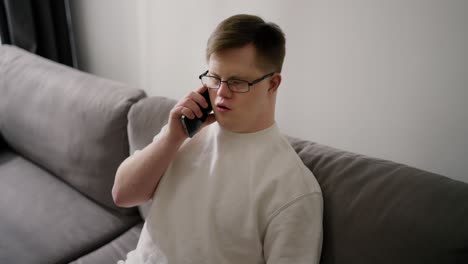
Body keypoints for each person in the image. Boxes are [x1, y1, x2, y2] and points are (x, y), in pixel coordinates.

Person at [113, 14, 323, 264]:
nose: (221, 93)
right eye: (214, 78)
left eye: (236, 82)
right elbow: (122, 195)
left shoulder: (293, 189)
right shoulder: (184, 132)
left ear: (272, 84)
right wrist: (171, 137)